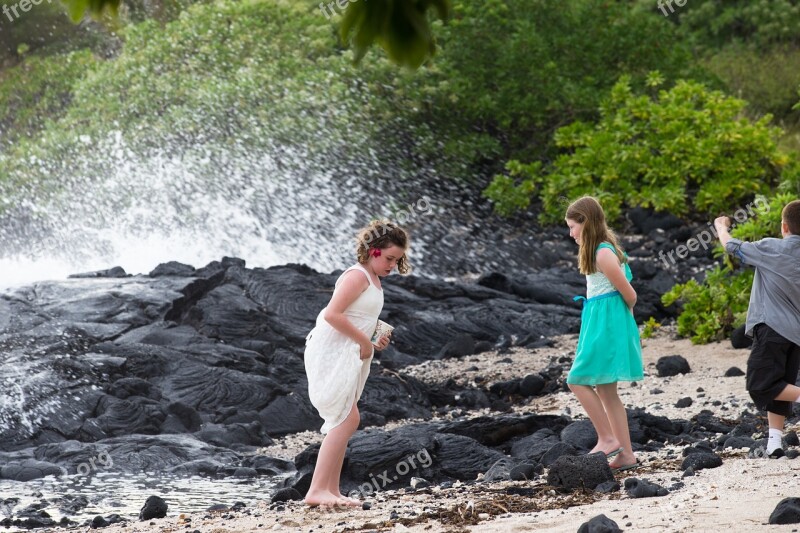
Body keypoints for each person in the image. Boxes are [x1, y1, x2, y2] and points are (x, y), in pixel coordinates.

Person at [303, 220, 411, 507]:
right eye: (389, 258)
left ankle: (331, 489)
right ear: (374, 251)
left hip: (348, 349)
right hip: (330, 349)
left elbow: (357, 317)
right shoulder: (357, 275)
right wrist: (363, 342)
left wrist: (373, 338)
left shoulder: (373, 279)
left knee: (346, 417)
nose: (392, 265)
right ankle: (316, 490)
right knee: (346, 418)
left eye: (397, 260)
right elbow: (332, 314)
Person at [565, 196, 644, 472]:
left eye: (573, 226)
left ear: (586, 222)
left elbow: (630, 294)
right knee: (607, 390)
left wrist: (619, 321)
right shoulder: (597, 251)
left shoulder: (602, 253)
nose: (570, 233)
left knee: (576, 380)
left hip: (606, 324)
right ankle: (626, 455)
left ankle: (607, 438)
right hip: (599, 320)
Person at [715, 199, 800, 458]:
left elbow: (731, 246)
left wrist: (720, 226)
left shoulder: (773, 248)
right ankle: (774, 442)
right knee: (781, 385)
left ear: (784, 226)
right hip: (796, 335)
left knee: (760, 385)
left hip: (772, 328)